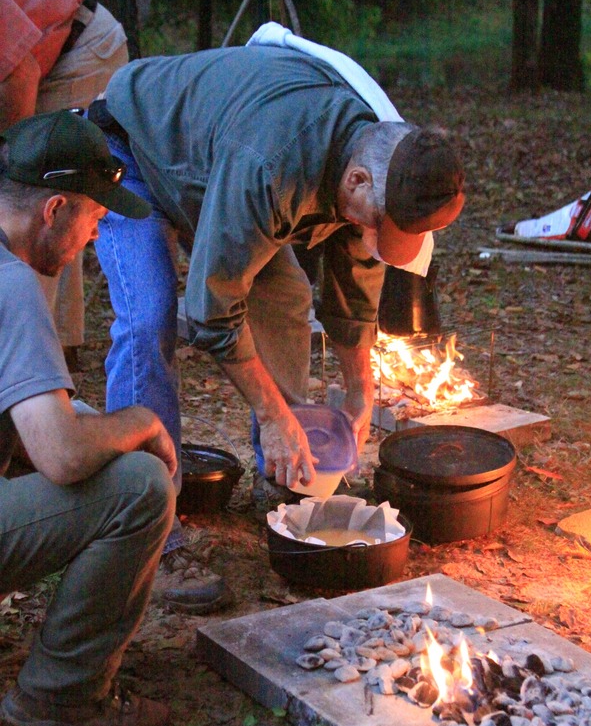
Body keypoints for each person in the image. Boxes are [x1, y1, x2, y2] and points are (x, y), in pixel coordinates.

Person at [90, 32, 465, 612]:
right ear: (357, 183)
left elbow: (353, 288)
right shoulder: (273, 164)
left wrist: (359, 393)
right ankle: (147, 537)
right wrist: (271, 413)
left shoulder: (381, 160)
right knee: (150, 318)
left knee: (286, 294)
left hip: (213, 166)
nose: (375, 239)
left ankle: (291, 473)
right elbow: (213, 310)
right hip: (133, 150)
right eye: (379, 224)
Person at [0, 109, 179, 726]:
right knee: (139, 484)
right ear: (53, 211)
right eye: (95, 218)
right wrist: (142, 421)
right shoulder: (13, 284)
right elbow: (62, 457)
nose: (96, 239)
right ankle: (61, 694)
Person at [0, 0, 129, 369]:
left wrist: (10, 170)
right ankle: (46, 350)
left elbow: (19, 73)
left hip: (78, 50)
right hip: (37, 59)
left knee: (37, 199)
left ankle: (32, 362)